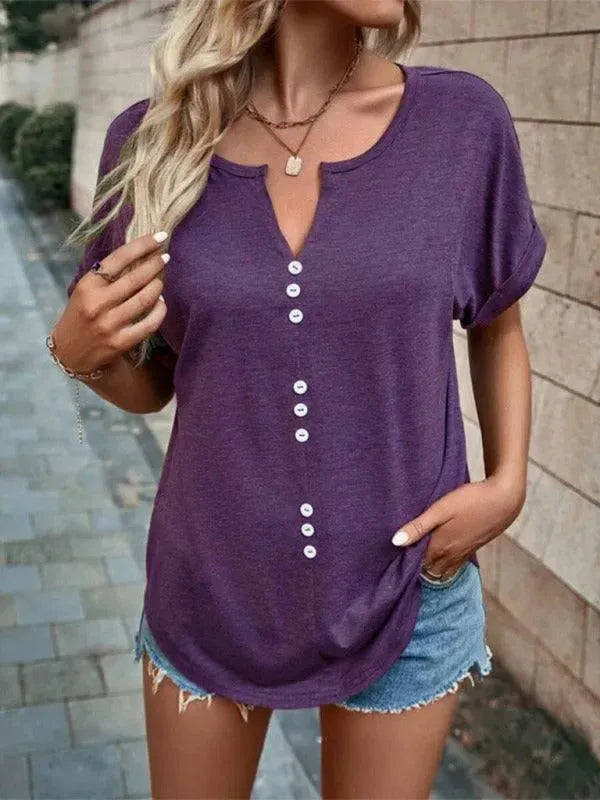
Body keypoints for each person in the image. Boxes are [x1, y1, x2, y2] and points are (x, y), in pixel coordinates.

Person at [48, 0, 546, 797]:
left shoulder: (461, 124)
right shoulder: (154, 142)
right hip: (209, 590)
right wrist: (82, 361)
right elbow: (159, 382)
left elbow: (498, 324)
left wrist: (508, 483)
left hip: (407, 588)